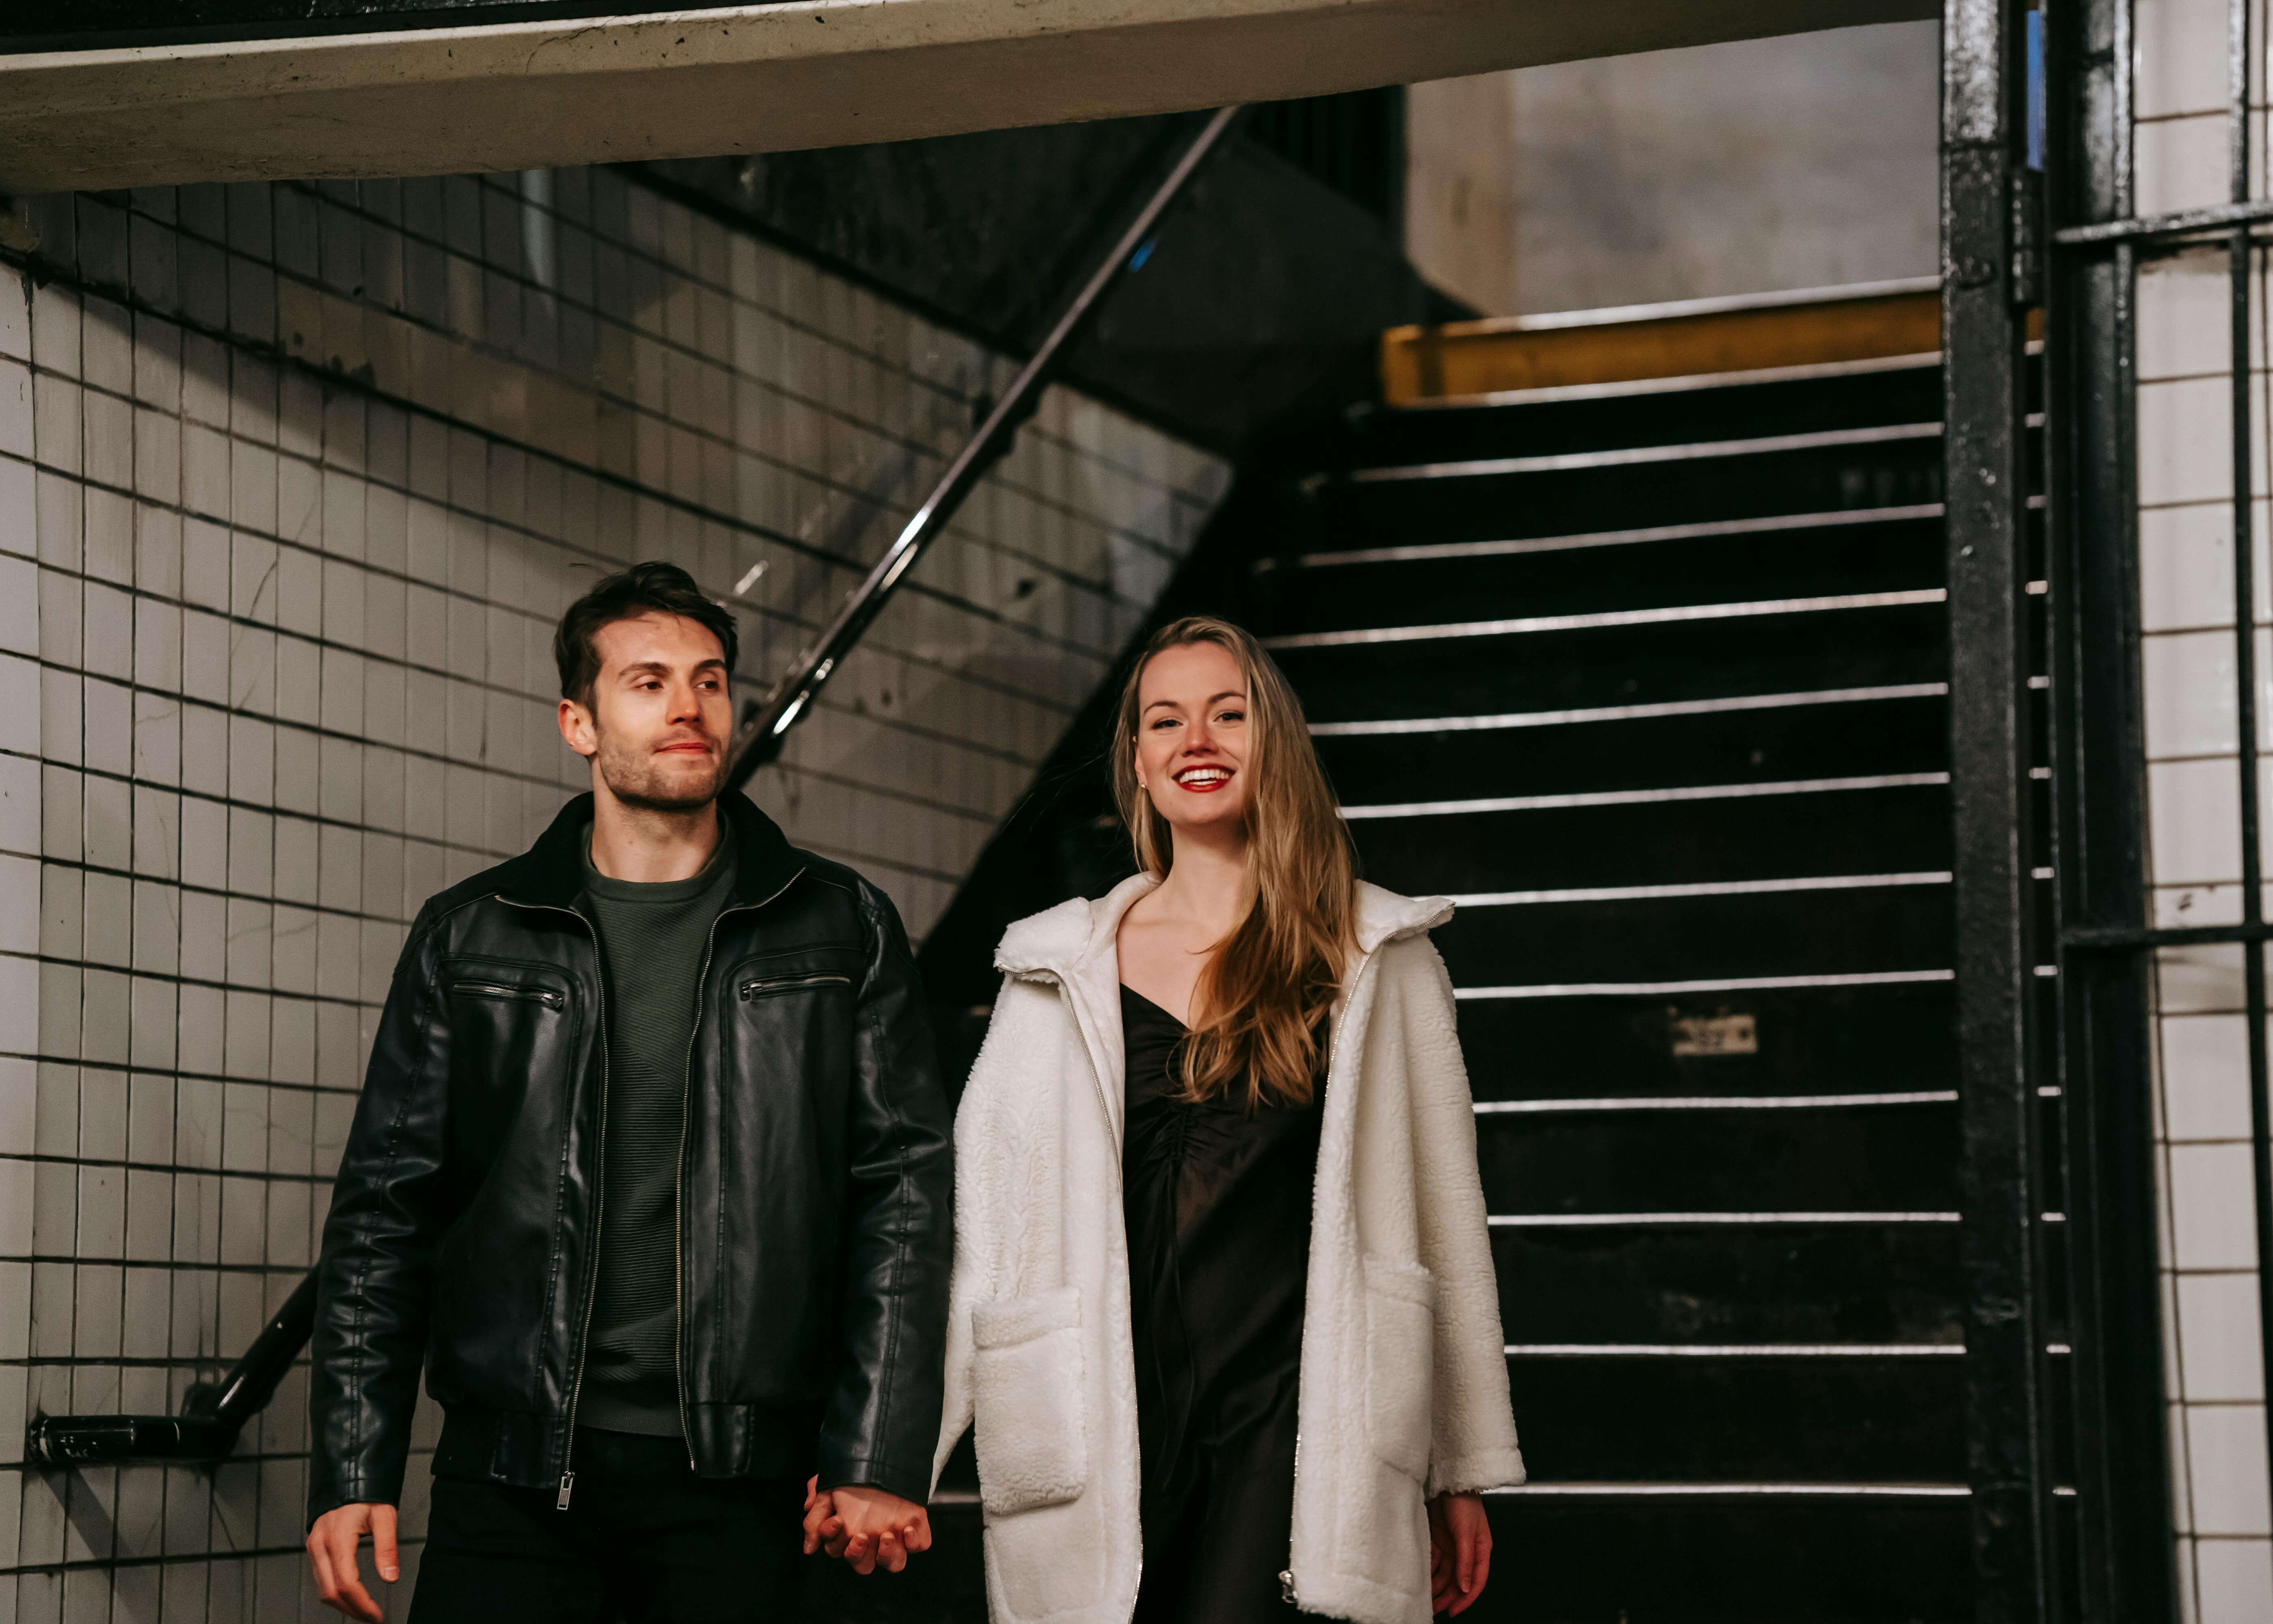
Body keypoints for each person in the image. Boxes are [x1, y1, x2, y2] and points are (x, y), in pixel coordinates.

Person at [304, 561, 954, 1622]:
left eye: (708, 681)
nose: (689, 708)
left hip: (744, 1485)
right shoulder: (474, 935)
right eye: (648, 682)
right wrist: (351, 1462)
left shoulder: (837, 926)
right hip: (512, 1480)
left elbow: (904, 1198)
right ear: (579, 722)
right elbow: (386, 1215)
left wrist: (874, 1448)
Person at [933, 615, 1523, 1624]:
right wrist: (893, 1452)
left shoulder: (1379, 953)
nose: (1195, 740)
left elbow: (1443, 1221)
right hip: (1106, 1412)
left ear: (1275, 740)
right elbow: (982, 1233)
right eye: (1166, 721)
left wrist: (1458, 1464)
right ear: (1138, 762)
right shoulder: (1054, 969)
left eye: (1227, 713)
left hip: (1293, 1415)